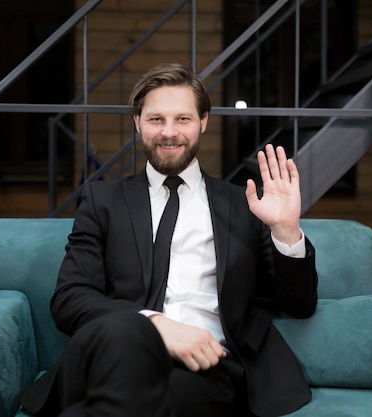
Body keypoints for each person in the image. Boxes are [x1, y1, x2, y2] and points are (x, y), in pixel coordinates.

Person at [19, 63, 318, 417]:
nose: (169, 132)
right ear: (137, 122)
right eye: (156, 119)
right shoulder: (103, 201)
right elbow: (69, 299)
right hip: (110, 351)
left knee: (142, 400)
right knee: (124, 344)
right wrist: (154, 324)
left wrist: (285, 231)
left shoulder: (244, 205)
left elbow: (299, 304)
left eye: (183, 119)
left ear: (203, 121)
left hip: (204, 369)